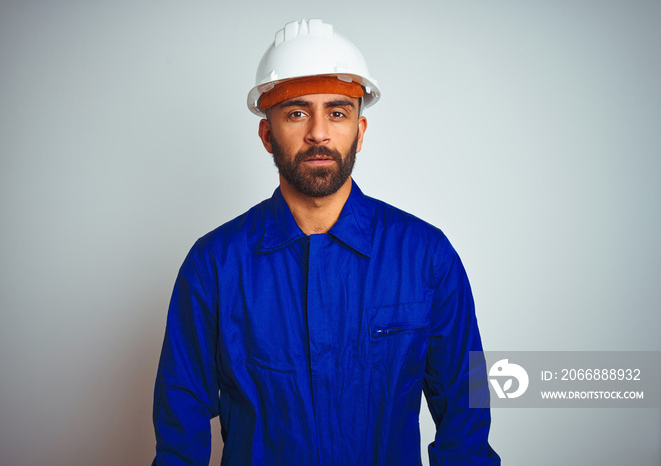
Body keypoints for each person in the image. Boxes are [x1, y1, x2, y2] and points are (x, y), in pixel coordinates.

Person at [152, 18, 500, 465]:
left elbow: (465, 414)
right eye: (297, 112)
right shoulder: (214, 266)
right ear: (266, 134)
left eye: (337, 112)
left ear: (360, 130)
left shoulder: (427, 257)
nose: (318, 132)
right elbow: (181, 431)